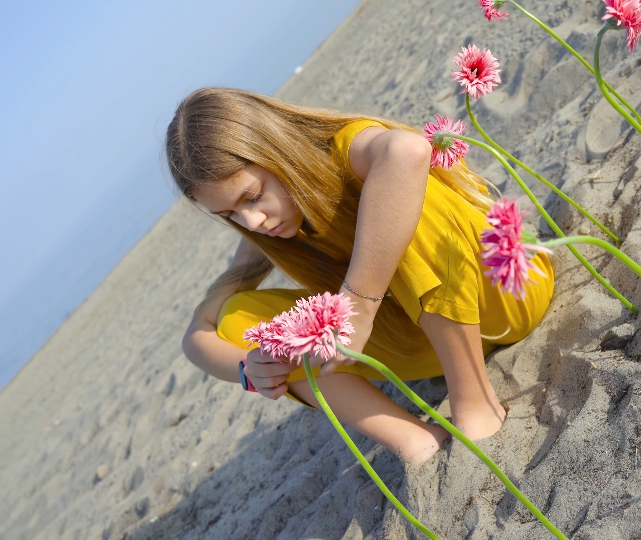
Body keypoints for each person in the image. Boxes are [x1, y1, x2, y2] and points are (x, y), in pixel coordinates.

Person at [165, 88, 554, 466]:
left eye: (252, 197)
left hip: (508, 293)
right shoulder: (263, 232)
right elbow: (198, 333)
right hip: (423, 345)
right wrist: (247, 369)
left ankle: (474, 404)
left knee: (399, 193)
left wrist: (359, 304)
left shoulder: (345, 148)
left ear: (275, 150)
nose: (252, 221)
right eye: (229, 215)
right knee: (239, 316)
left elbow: (407, 151)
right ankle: (415, 441)